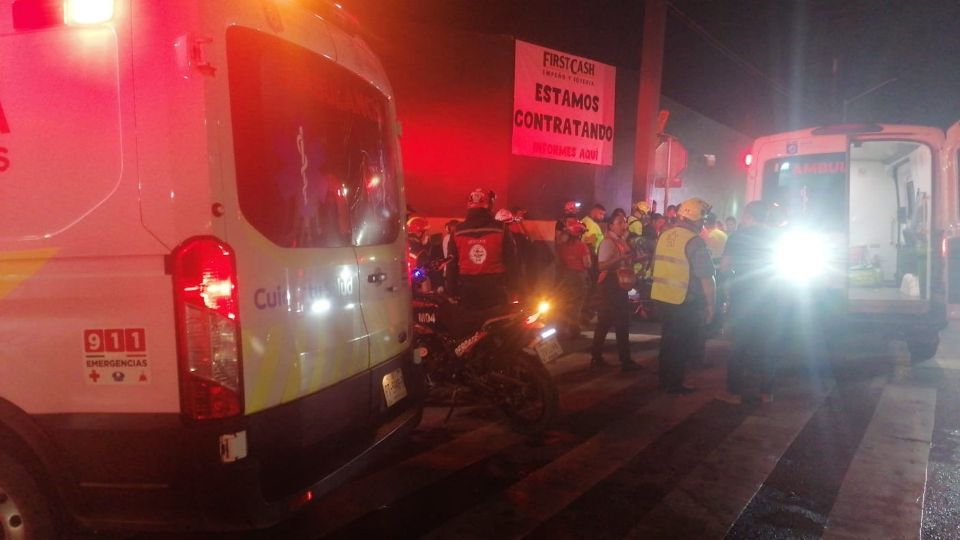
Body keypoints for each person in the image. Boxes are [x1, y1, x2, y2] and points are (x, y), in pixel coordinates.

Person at [651, 197, 716, 394]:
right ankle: (675, 384)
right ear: (696, 220)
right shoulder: (695, 241)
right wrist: (711, 306)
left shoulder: (665, 235)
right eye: (702, 220)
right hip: (684, 301)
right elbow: (706, 277)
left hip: (662, 297)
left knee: (668, 342)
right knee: (680, 344)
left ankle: (664, 380)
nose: (703, 224)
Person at [717, 201, 777, 404]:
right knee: (767, 344)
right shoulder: (776, 236)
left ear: (749, 215)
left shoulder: (737, 237)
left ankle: (734, 392)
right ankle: (766, 392)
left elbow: (724, 267)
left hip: (743, 297)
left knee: (739, 344)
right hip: (770, 297)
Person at [446, 188, 519, 310]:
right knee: (496, 325)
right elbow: (512, 261)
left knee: (470, 325)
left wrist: (451, 291)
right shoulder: (501, 229)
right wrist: (515, 288)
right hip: (496, 290)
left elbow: (451, 264)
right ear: (489, 205)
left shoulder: (457, 231)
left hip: (467, 291)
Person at [590, 213, 641, 371]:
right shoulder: (608, 242)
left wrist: (637, 259)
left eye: (624, 222)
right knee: (613, 322)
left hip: (619, 285)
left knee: (611, 322)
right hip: (609, 286)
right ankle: (621, 360)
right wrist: (619, 259)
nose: (623, 225)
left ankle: (600, 357)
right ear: (610, 225)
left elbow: (625, 260)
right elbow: (601, 266)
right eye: (619, 223)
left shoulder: (620, 241)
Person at [556, 218, 592, 339]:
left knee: (565, 302)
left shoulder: (562, 246)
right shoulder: (582, 247)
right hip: (579, 277)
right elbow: (588, 264)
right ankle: (574, 329)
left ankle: (561, 328)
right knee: (577, 304)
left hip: (566, 276)